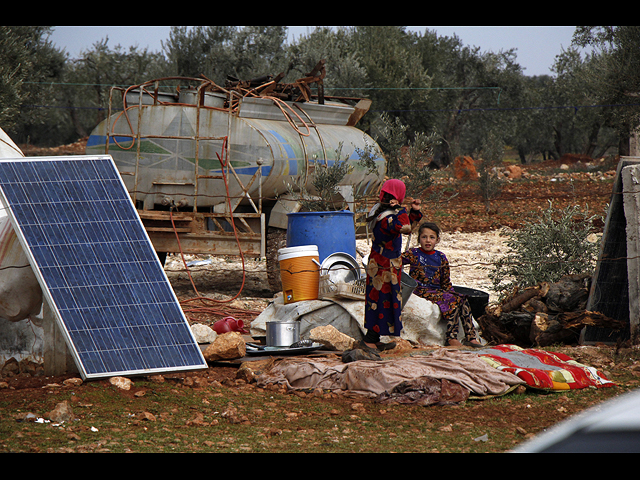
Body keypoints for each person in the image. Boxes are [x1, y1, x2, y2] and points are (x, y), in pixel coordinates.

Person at [362, 179, 422, 351]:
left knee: (383, 300)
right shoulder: (386, 217)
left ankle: (375, 338)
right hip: (383, 265)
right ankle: (370, 339)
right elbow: (405, 227)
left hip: (386, 264)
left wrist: (414, 212)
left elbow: (408, 224)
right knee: (380, 300)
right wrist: (402, 209)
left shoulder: (389, 214)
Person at [401, 221, 483, 348]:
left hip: (437, 290)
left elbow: (445, 281)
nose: (428, 240)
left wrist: (451, 292)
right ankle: (451, 338)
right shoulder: (414, 254)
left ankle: (471, 337)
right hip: (420, 289)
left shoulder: (441, 257)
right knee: (452, 300)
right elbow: (397, 261)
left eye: (432, 237)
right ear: (419, 239)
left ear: (437, 240)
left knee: (462, 299)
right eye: (424, 237)